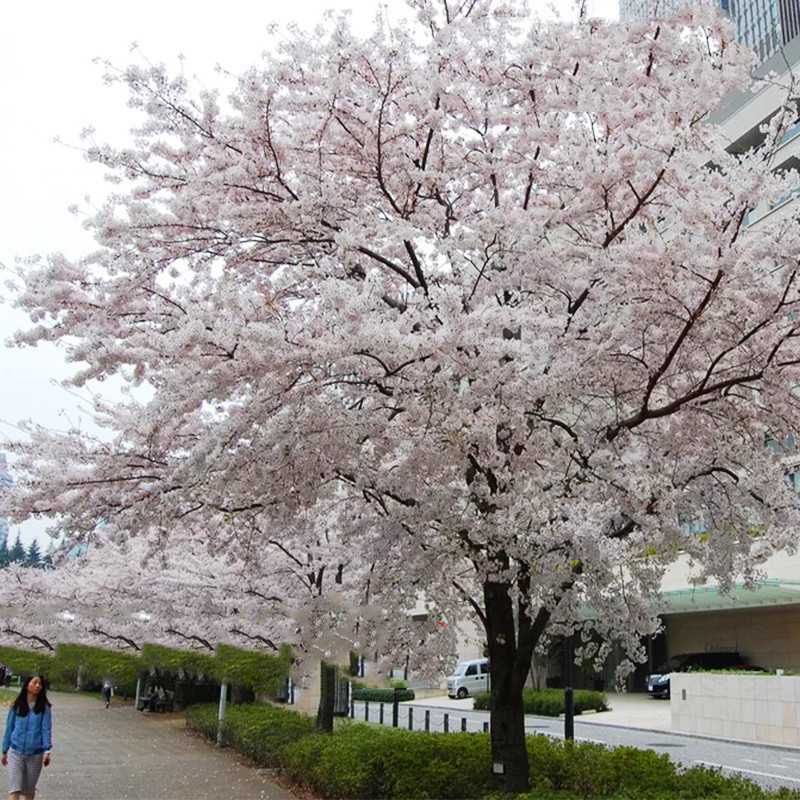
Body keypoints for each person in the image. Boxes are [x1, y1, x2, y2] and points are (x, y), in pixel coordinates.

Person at [1, 676, 52, 800]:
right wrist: (4, 750)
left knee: (29, 791)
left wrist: (47, 751)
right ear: (27, 685)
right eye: (34, 683)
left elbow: (46, 730)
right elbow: (9, 728)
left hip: (35, 754)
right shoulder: (17, 706)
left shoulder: (44, 708)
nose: (37, 686)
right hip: (15, 752)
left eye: (40, 684)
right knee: (15, 788)